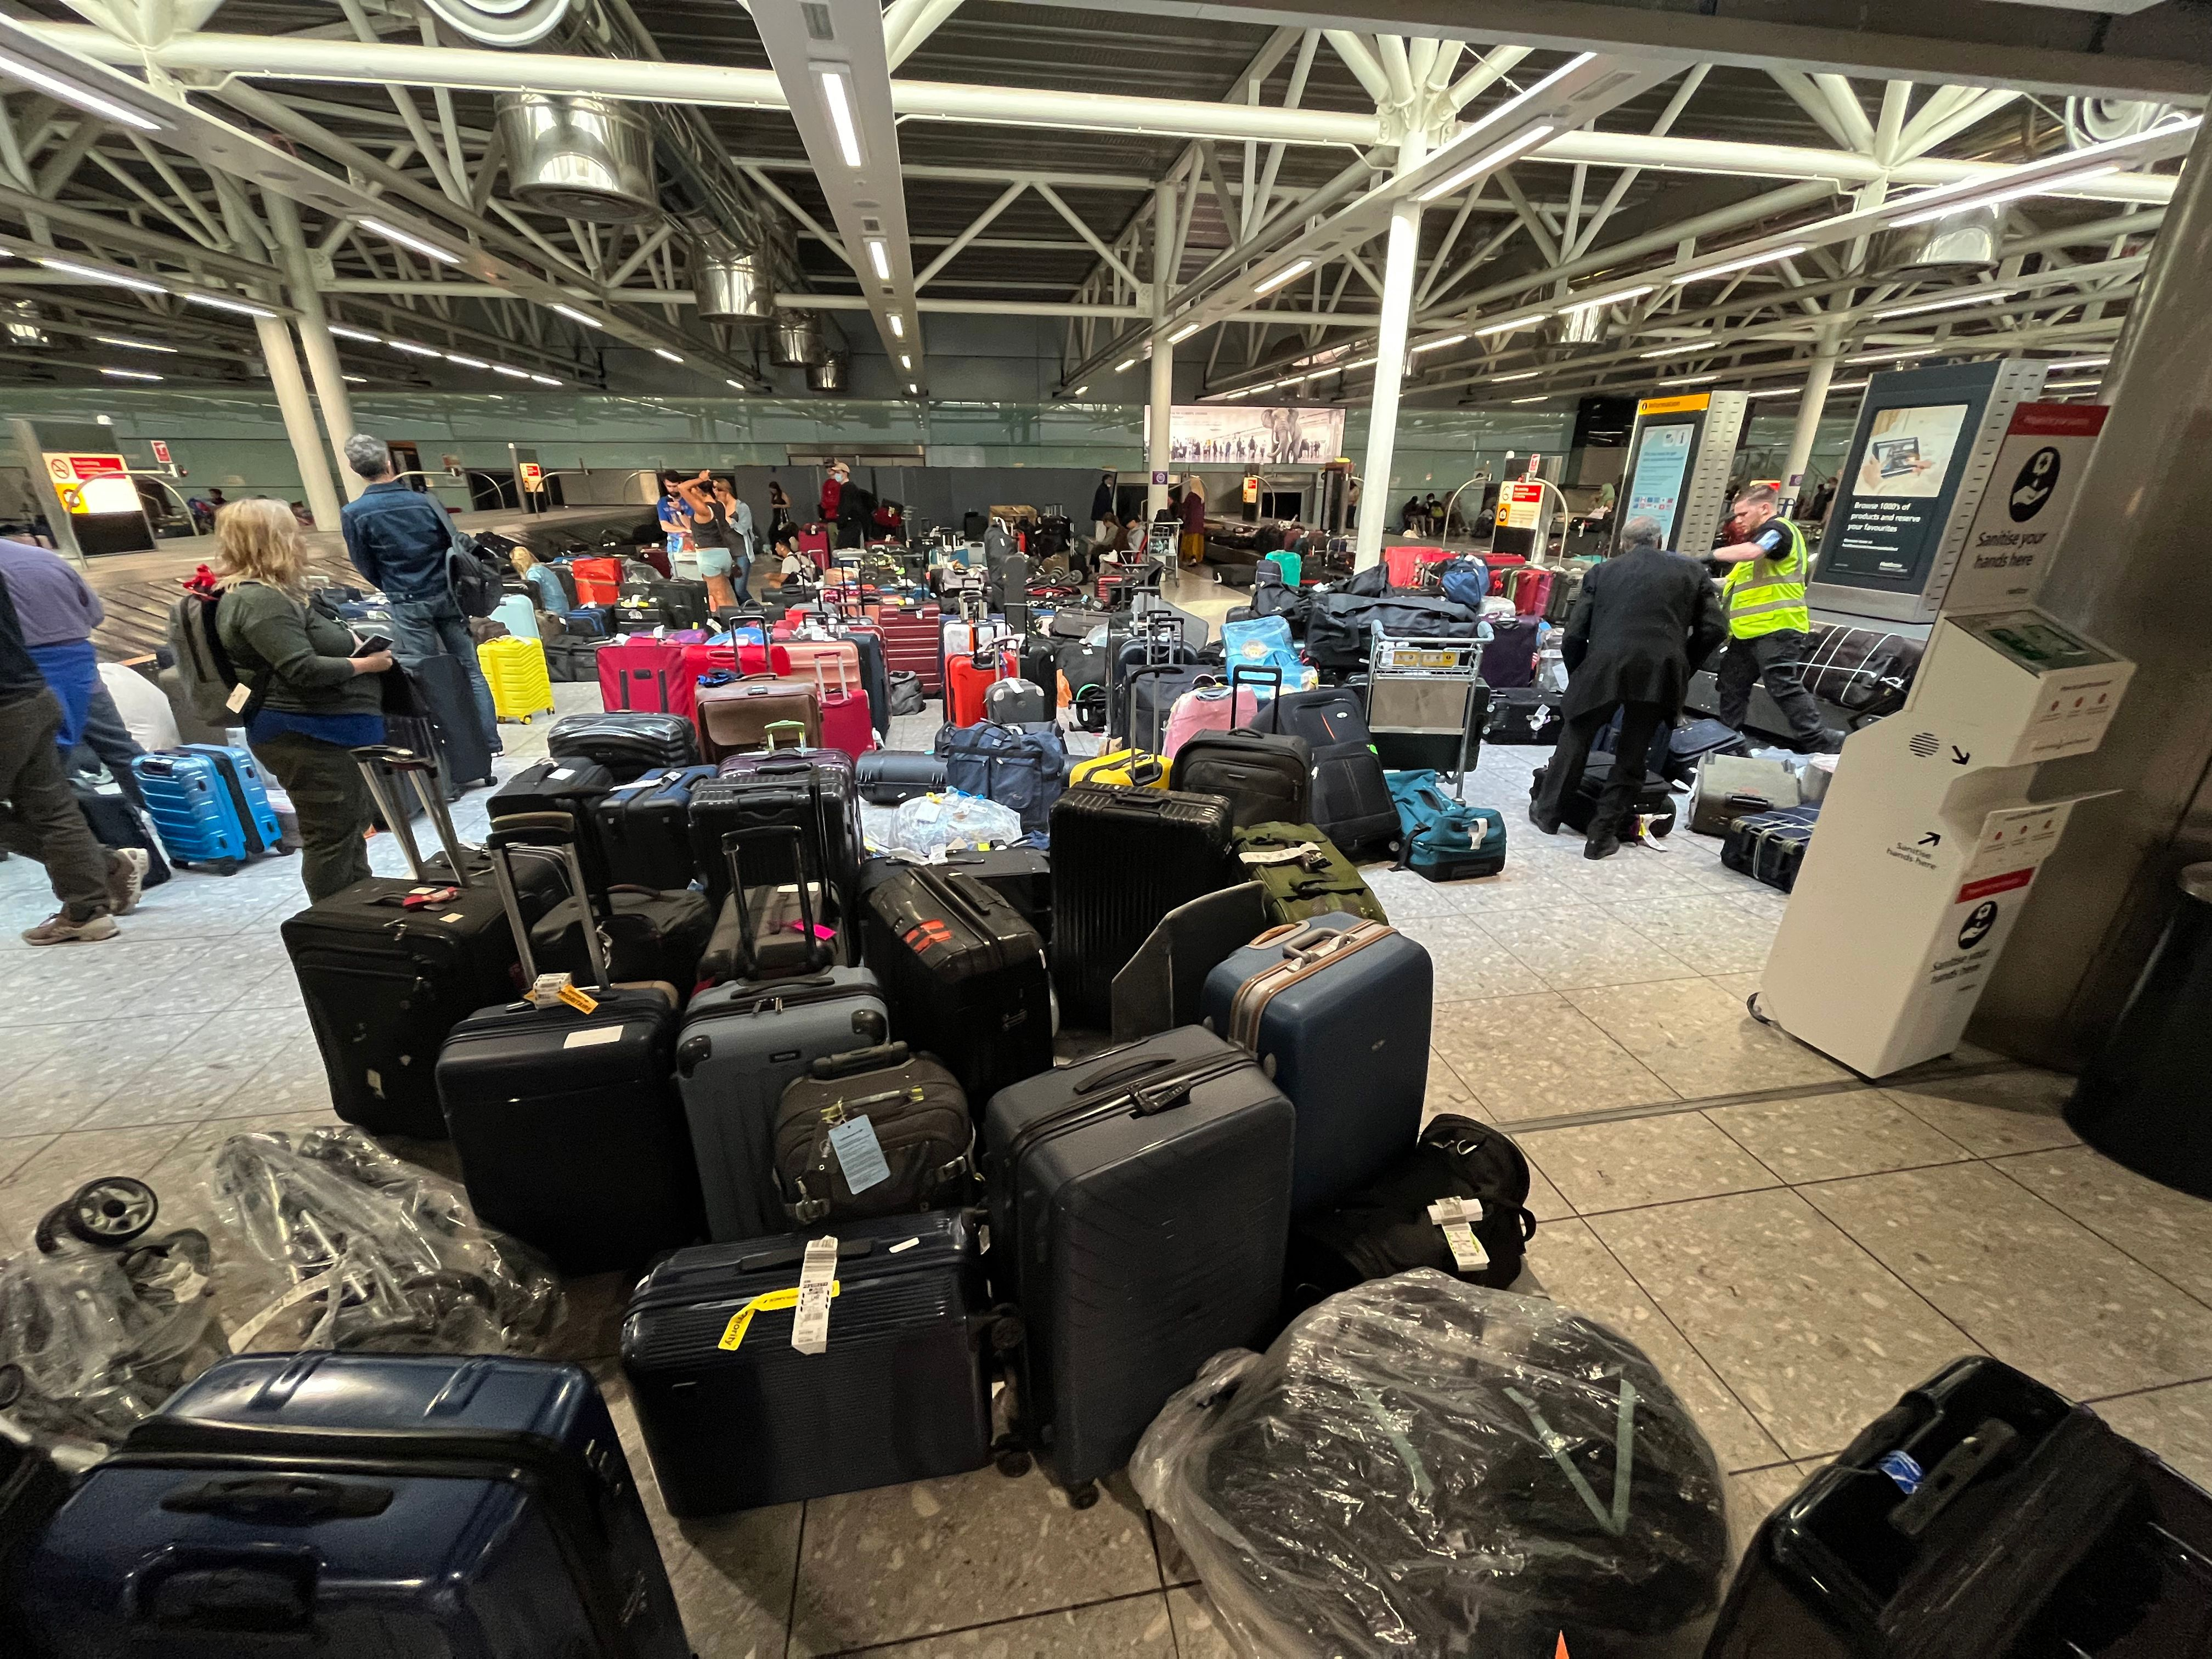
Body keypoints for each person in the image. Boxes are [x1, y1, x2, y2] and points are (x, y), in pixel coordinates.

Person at [217, 498, 393, 902]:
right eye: (292, 532)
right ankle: (338, 922)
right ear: (274, 540)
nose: (301, 539)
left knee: (349, 825)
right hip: (304, 733)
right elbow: (302, 670)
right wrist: (368, 665)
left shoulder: (276, 594)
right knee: (330, 834)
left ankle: (359, 905)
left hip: (324, 729)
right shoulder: (258, 601)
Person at [1531, 515, 1729, 861]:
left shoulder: (1602, 572)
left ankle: (1549, 815)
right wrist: (1682, 664)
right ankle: (1601, 835)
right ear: (1660, 540)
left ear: (1623, 543)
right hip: (1660, 670)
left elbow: (1575, 633)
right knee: (1635, 751)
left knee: (1576, 736)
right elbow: (1714, 629)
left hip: (1603, 666)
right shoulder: (1693, 572)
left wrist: (1581, 672)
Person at [0, 565, 148, 944]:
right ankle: (88, 910)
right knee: (53, 810)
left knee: (52, 811)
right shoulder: (26, 560)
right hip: (32, 695)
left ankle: (104, 870)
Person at [337, 434, 501, 755]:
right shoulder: (426, 501)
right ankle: (491, 743)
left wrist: (394, 587)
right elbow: (453, 547)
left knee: (426, 674)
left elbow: (363, 563)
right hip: (447, 597)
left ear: (355, 470)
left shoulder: (354, 512)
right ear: (389, 464)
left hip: (407, 601)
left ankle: (449, 747)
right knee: (470, 668)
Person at [0, 535, 146, 808]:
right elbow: (95, 615)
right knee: (121, 751)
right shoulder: (45, 558)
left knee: (48, 772)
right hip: (81, 671)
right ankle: (180, 827)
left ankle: (95, 840)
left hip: (25, 679)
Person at [1714, 483, 1835, 751]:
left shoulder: (1778, 531)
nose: (1738, 521)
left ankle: (1823, 744)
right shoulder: (1758, 543)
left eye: (1743, 514)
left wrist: (1708, 556)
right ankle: (1727, 742)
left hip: (1778, 629)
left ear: (1765, 508)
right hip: (1748, 632)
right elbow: (1731, 584)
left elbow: (1754, 552)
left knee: (1782, 686)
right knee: (1732, 686)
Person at [1178, 475, 1207, 569]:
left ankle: (1191, 558)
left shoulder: (1191, 496)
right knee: (1197, 542)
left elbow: (1185, 508)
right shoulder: (1201, 497)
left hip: (1191, 523)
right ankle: (1196, 558)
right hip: (1199, 524)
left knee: (1190, 543)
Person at [1090, 471, 1116, 545]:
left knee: (1101, 535)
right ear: (1105, 480)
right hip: (1101, 517)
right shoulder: (1103, 491)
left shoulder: (1103, 489)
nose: (1111, 482)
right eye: (1110, 480)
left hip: (1101, 517)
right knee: (1100, 537)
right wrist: (1110, 514)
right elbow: (1105, 504)